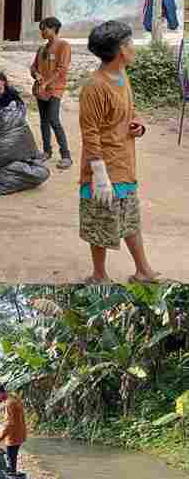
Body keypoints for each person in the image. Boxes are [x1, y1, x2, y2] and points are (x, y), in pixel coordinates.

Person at [78, 20, 160, 284]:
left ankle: (143, 271)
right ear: (121, 51)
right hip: (102, 172)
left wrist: (138, 125)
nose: (133, 47)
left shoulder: (122, 76)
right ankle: (100, 275)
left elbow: (129, 110)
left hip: (125, 166)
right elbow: (90, 133)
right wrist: (99, 176)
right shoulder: (95, 87)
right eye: (130, 43)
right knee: (99, 225)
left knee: (130, 220)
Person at [30, 16, 73, 169]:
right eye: (41, 29)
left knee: (54, 120)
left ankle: (66, 155)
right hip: (41, 90)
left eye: (44, 29)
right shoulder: (41, 49)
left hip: (55, 89)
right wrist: (36, 75)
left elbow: (61, 69)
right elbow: (33, 67)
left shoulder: (63, 46)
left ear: (53, 29)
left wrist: (47, 83)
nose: (41, 32)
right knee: (43, 122)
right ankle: (47, 151)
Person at [0, 384, 27, 473]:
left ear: (0, 393)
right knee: (12, 459)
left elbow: (9, 424)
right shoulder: (13, 399)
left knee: (11, 461)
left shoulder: (9, 403)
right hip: (19, 434)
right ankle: (13, 476)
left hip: (13, 437)